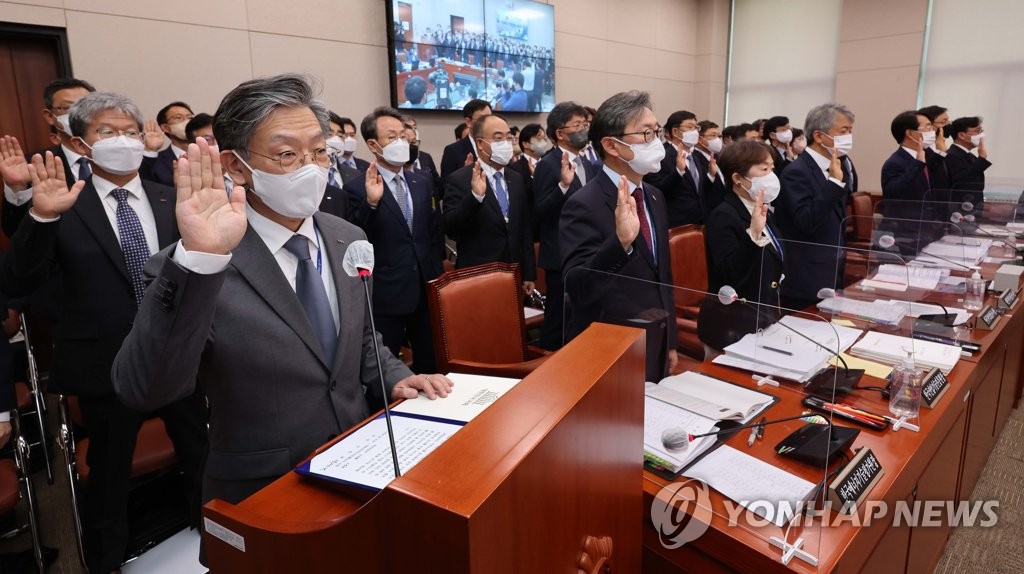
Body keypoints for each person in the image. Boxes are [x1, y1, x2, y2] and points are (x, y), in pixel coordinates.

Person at [111, 74, 452, 525]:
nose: (311, 168)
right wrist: (198, 261)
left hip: (358, 466)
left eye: (318, 151)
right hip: (264, 491)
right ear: (235, 166)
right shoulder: (200, 260)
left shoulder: (345, 235)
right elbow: (144, 388)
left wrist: (394, 378)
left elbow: (363, 338)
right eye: (288, 154)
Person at [1, 91, 208, 574]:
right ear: (82, 143)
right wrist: (41, 216)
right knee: (110, 476)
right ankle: (106, 562)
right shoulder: (60, 199)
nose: (122, 141)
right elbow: (17, 283)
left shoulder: (169, 196)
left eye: (130, 132)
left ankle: (210, 539)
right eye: (106, 133)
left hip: (177, 357)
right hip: (105, 365)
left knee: (200, 453)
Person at [560, 91, 678, 381]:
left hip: (655, 337)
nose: (656, 142)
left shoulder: (653, 195)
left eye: (657, 131)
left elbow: (663, 276)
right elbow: (577, 287)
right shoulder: (583, 202)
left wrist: (670, 339)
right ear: (612, 145)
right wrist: (621, 244)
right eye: (646, 133)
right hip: (611, 348)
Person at [346, 107, 445, 373]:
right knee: (386, 368)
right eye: (392, 137)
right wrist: (371, 203)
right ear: (372, 144)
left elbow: (432, 233)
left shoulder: (421, 181)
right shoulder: (356, 187)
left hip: (425, 288)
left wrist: (436, 278)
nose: (402, 142)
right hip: (386, 293)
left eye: (404, 135)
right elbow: (355, 240)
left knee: (431, 363)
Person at [700, 140, 784, 349]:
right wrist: (753, 234)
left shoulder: (760, 210)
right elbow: (729, 273)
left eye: (772, 168)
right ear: (738, 178)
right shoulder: (723, 215)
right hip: (731, 323)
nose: (771, 176)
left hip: (762, 318)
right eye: (764, 169)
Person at [774, 102, 858, 311]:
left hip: (832, 267)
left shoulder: (837, 166)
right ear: (819, 136)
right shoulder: (796, 172)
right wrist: (833, 185)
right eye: (843, 131)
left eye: (850, 131)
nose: (848, 137)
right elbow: (806, 221)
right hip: (805, 274)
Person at [443, 114, 536, 294]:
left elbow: (524, 229)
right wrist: (475, 197)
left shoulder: (515, 178)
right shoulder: (460, 179)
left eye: (508, 137)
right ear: (480, 144)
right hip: (478, 276)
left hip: (513, 274)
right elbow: (451, 227)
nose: (506, 143)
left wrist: (529, 273)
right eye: (498, 138)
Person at [533, 102, 599, 350]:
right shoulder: (547, 164)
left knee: (582, 320)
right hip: (561, 257)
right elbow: (540, 212)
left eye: (585, 124)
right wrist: (562, 186)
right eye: (578, 125)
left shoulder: (589, 164)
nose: (584, 129)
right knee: (558, 323)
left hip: (588, 254)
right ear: (560, 133)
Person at [2, 78, 97, 236]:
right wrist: (17, 189)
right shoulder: (33, 164)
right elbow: (15, 232)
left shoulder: (122, 156)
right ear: (49, 116)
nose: (79, 114)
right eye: (68, 107)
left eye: (86, 106)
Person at [644, 110, 703, 226]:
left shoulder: (695, 157)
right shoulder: (661, 158)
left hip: (699, 223)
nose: (695, 132)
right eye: (690, 127)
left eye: (696, 128)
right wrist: (678, 171)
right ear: (675, 131)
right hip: (677, 224)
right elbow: (656, 190)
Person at [881, 111, 938, 202]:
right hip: (907, 215)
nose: (933, 131)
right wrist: (918, 164)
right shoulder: (894, 163)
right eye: (928, 127)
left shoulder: (925, 156)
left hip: (928, 215)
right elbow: (892, 194)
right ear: (910, 133)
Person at [140, 101, 194, 186]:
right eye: (178, 117)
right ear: (166, 128)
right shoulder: (157, 161)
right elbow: (144, 183)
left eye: (190, 118)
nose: (187, 122)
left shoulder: (208, 153)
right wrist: (150, 150)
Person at [440, 99, 492, 181]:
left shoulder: (496, 146)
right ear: (468, 122)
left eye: (490, 118)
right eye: (482, 119)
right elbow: (445, 187)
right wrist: (465, 174)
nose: (488, 123)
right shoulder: (453, 151)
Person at [945, 116, 990, 207]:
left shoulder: (969, 155)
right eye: (978, 131)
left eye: (981, 131)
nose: (981, 135)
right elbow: (963, 180)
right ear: (961, 135)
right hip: (960, 208)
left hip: (973, 207)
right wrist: (981, 159)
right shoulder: (952, 155)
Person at [401, 116, 441, 193]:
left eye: (414, 127)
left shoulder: (426, 157)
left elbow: (436, 185)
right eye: (409, 126)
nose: (413, 130)